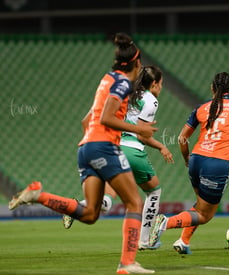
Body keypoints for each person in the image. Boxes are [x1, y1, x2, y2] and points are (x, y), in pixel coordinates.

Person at [8, 33, 157, 274]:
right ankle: (127, 263)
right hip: (102, 146)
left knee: (89, 214)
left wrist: (92, 145)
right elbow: (106, 117)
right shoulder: (123, 84)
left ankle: (38, 195)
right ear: (137, 65)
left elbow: (87, 119)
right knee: (135, 202)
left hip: (86, 147)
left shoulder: (106, 80)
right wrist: (137, 129)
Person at [62, 66, 174, 251]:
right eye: (160, 84)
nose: (160, 88)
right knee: (153, 191)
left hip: (113, 148)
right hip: (132, 151)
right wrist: (161, 146)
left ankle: (75, 208)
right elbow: (141, 135)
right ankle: (144, 241)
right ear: (154, 84)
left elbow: (91, 120)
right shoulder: (151, 101)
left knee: (106, 199)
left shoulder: (126, 93)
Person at [149, 72, 229, 254]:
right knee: (204, 215)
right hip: (217, 163)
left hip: (197, 159)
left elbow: (182, 139)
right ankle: (164, 223)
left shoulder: (202, 108)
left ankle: (183, 242)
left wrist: (187, 158)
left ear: (212, 88)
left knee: (199, 206)